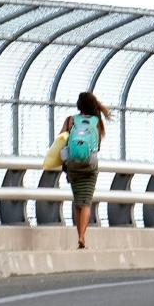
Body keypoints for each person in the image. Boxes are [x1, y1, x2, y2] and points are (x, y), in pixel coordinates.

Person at [58, 91, 112, 249]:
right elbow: (98, 146)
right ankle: (82, 237)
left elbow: (60, 139)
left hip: (73, 164)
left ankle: (79, 235)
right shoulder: (97, 121)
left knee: (78, 203)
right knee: (86, 202)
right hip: (90, 164)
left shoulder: (70, 120)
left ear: (79, 105)